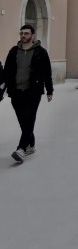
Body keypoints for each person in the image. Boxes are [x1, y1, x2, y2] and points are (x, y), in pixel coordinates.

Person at [4, 23, 53, 164]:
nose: (23, 36)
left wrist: (50, 90)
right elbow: (7, 71)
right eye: (22, 33)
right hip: (16, 91)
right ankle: (31, 145)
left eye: (26, 33)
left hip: (33, 91)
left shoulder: (40, 52)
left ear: (33, 36)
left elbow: (47, 73)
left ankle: (21, 149)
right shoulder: (14, 51)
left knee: (29, 118)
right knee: (23, 121)